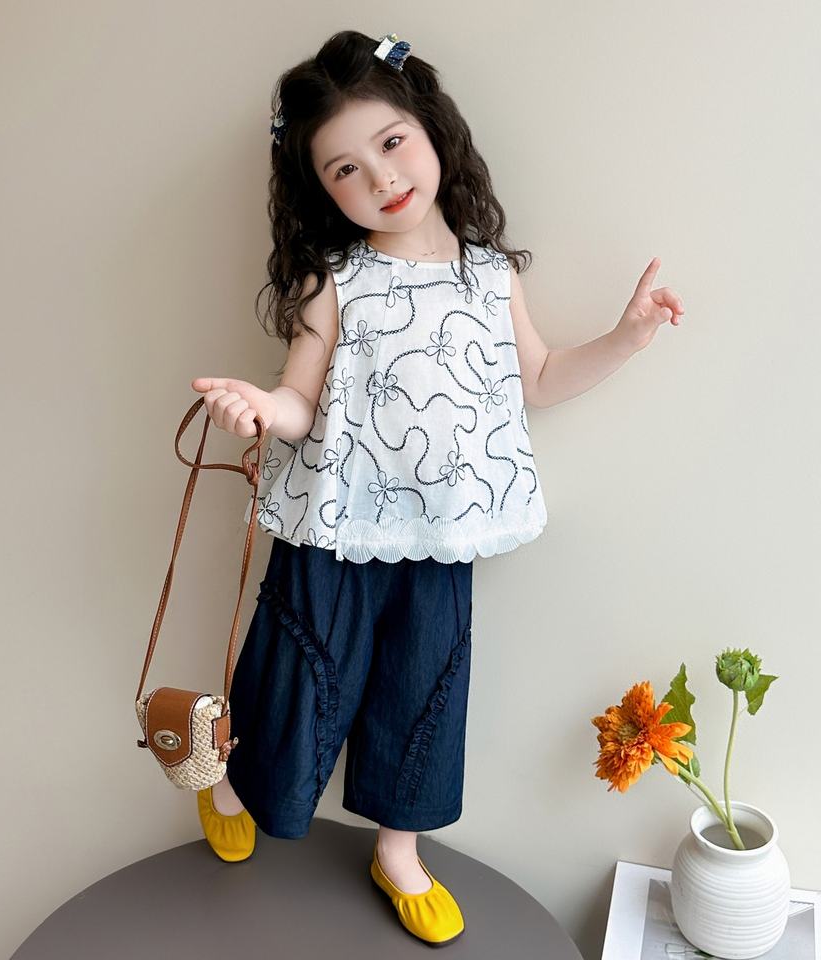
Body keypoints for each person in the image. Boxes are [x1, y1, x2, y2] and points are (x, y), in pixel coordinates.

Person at [190, 29, 685, 946]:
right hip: (336, 526)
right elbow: (300, 401)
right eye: (344, 169)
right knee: (297, 668)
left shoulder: (490, 277)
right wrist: (258, 406)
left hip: (446, 532)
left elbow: (539, 380)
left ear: (431, 129)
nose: (379, 177)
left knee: (425, 687)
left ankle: (398, 850)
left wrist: (627, 336)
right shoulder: (336, 279)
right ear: (320, 189)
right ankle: (230, 784)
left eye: (390, 143)